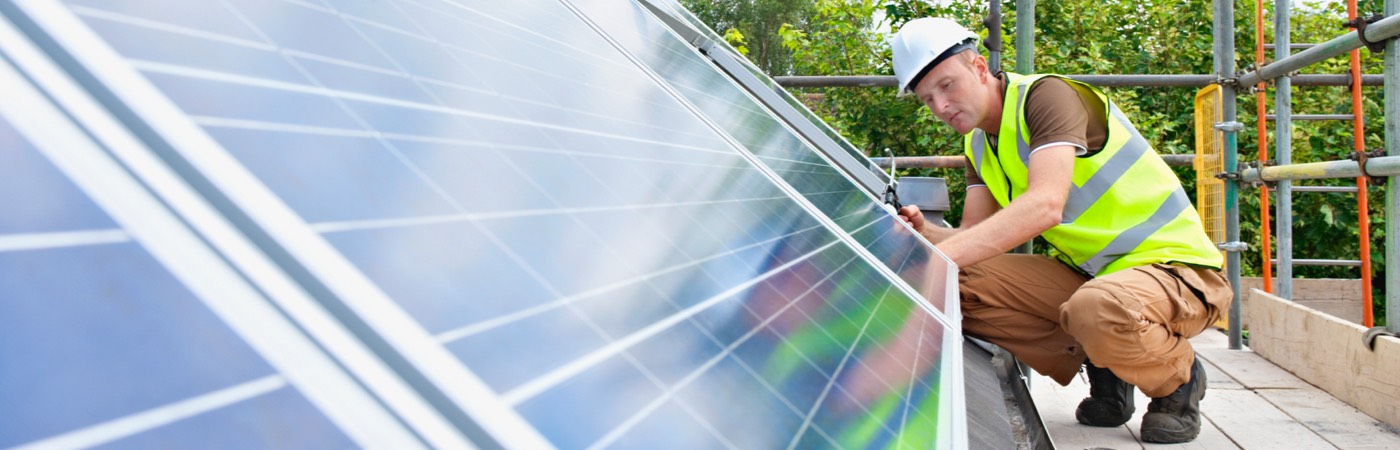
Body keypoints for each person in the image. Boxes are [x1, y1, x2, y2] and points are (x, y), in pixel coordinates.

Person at [888, 17, 1233, 443]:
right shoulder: (978, 143)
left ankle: (1178, 382)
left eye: (947, 86)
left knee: (1097, 307)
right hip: (1095, 279)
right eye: (927, 99)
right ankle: (1107, 362)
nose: (941, 107)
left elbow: (1045, 206)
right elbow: (973, 236)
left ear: (979, 68)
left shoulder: (1046, 96)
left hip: (1175, 271)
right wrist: (925, 236)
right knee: (955, 284)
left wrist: (939, 259)